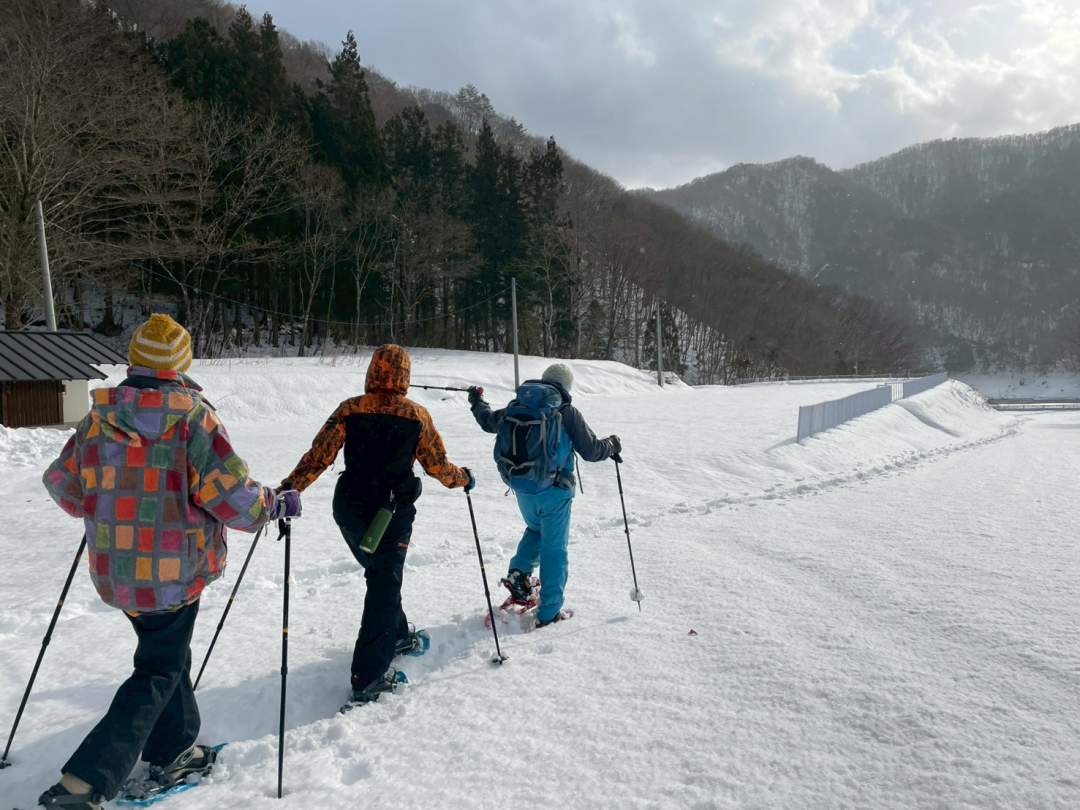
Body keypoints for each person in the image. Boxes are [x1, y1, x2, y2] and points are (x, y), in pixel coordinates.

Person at [37, 314, 300, 810]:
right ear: (181, 363)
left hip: (117, 572)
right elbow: (233, 497)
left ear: (135, 360)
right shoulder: (193, 418)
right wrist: (273, 504)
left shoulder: (99, 417)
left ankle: (174, 747)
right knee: (158, 669)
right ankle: (83, 783)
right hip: (174, 576)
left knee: (166, 654)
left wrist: (102, 505)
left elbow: (61, 483)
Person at [279, 344, 473, 705]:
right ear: (405, 376)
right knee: (383, 585)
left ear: (372, 371)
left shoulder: (350, 409)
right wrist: (463, 478)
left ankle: (395, 635)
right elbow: (437, 466)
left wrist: (289, 489)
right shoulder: (416, 415)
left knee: (382, 577)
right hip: (390, 514)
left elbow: (318, 457)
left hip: (350, 510)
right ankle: (369, 677)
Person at [468, 363, 620, 627]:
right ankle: (549, 612)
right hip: (554, 491)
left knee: (536, 530)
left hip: (522, 487)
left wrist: (476, 401)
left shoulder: (518, 405)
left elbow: (488, 421)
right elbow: (592, 450)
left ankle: (519, 574)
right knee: (554, 549)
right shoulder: (566, 411)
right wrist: (613, 444)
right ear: (566, 386)